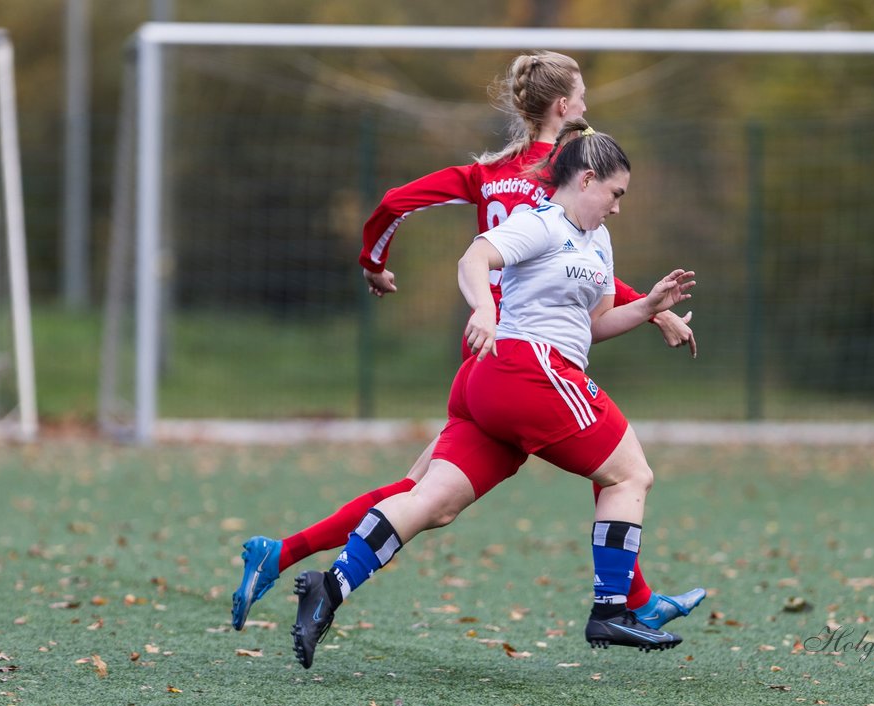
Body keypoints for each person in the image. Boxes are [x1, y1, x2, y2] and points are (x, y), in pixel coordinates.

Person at [232, 52, 703, 633]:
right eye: (581, 96)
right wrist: (644, 311)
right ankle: (624, 603)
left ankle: (303, 568)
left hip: (483, 361)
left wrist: (373, 262)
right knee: (624, 471)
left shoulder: (494, 177)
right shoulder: (561, 192)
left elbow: (395, 202)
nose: (586, 106)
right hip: (527, 359)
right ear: (564, 108)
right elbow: (549, 257)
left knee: (431, 497)